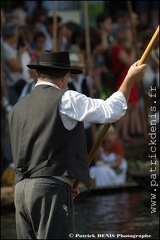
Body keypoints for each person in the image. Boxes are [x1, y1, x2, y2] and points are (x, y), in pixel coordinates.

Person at [8, 51, 147, 239]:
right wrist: (129, 80)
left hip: (21, 191)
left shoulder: (17, 107)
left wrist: (65, 181)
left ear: (39, 74)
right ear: (65, 77)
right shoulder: (66, 98)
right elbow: (110, 111)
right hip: (49, 190)